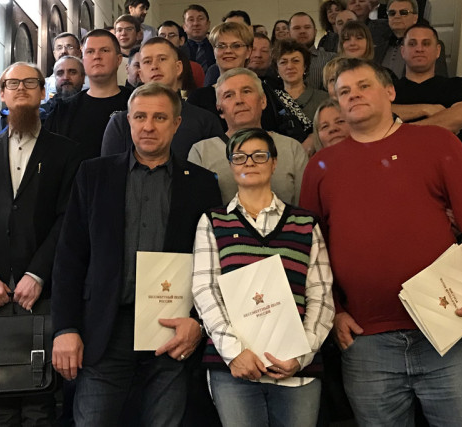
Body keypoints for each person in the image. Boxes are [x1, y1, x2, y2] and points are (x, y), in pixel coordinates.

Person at [300, 59, 462, 426]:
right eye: (344, 91)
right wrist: (334, 310)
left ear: (390, 92)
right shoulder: (320, 166)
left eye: (363, 86)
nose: (353, 95)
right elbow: (311, 249)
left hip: (448, 328)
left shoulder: (437, 143)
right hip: (366, 341)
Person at [51, 83, 222, 426]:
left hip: (171, 329)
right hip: (105, 328)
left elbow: (213, 265)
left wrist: (199, 323)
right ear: (128, 120)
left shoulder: (202, 184)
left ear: (176, 123)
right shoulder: (93, 174)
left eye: (160, 118)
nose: (148, 126)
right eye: (140, 117)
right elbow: (70, 257)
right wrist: (65, 328)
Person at [0, 62, 82, 426]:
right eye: (13, 83)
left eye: (31, 83)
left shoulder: (66, 152)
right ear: (2, 94)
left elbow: (68, 220)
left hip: (43, 293)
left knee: (39, 405)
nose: (22, 89)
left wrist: (37, 273)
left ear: (43, 92)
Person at [192, 128, 334, 427]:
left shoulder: (305, 223)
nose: (249, 162)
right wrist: (234, 353)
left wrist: (301, 355)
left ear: (274, 162)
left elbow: (321, 295)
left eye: (259, 155)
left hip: (297, 372)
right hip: (233, 369)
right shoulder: (213, 221)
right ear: (231, 165)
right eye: (240, 157)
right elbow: (205, 290)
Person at [189, 68, 308, 206]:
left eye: (246, 91)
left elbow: (304, 208)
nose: (239, 100)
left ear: (263, 101)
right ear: (220, 109)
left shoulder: (292, 148)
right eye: (229, 95)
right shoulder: (201, 152)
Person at [102, 37, 224, 160]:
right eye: (147, 61)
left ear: (178, 68)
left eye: (162, 59)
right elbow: (109, 169)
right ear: (140, 74)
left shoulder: (205, 121)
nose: (154, 66)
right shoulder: (121, 123)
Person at [45, 29, 132, 163]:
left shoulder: (135, 103)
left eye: (104, 50)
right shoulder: (63, 110)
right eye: (90, 52)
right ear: (83, 60)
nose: (97, 56)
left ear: (118, 59)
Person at [392, 24, 462, 143]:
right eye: (412, 44)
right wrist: (425, 109)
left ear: (438, 51)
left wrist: (405, 132)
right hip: (398, 155)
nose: (419, 49)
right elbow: (376, 114)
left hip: (445, 154)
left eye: (426, 43)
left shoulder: (456, 85)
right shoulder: (388, 88)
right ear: (403, 51)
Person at [375, 0, 449, 78]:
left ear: (415, 18)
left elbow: (440, 79)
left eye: (403, 12)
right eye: (392, 13)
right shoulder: (379, 47)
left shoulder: (431, 45)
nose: (397, 16)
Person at [272, 41, 327, 143]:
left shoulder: (324, 99)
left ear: (305, 66)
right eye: (283, 62)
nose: (289, 66)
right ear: (277, 69)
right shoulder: (270, 100)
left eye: (295, 61)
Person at [288, 12, 334, 91]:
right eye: (297, 28)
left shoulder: (330, 59)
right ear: (288, 33)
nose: (302, 31)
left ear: (315, 32)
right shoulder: (280, 62)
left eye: (307, 27)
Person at [159, 20, 205, 88]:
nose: (167, 39)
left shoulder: (194, 68)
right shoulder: (152, 67)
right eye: (162, 36)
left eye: (171, 35)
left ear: (181, 40)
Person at [44, 33, 87, 98]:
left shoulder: (92, 84)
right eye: (59, 48)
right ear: (54, 54)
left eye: (69, 47)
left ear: (79, 53)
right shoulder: (45, 85)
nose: (63, 51)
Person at [183, 4, 214, 70]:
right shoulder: (178, 53)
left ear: (208, 24)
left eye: (200, 19)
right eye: (191, 20)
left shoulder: (217, 48)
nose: (196, 23)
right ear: (184, 27)